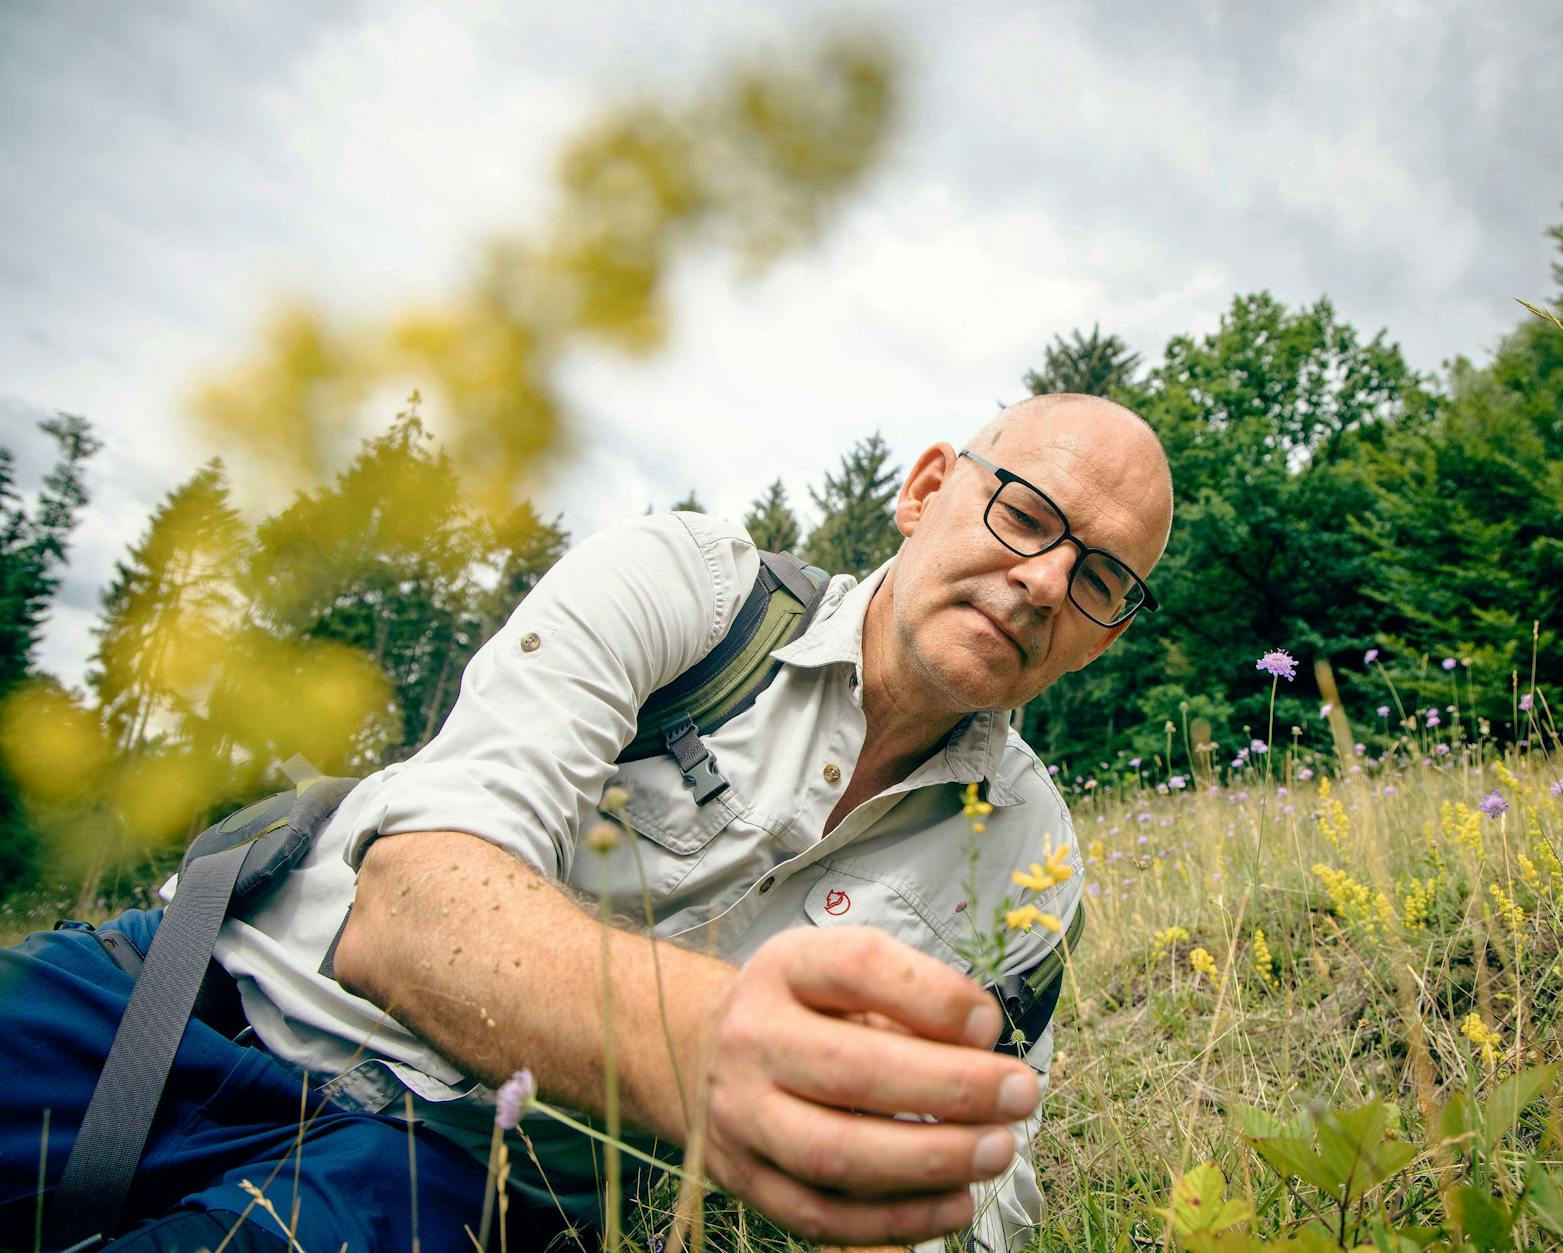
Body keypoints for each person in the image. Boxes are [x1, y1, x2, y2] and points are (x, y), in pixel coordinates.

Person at [0, 392, 1174, 1251]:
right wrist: (701, 1053)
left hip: (441, 1179)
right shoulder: (691, 588)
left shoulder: (1031, 854)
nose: (1041, 582)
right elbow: (400, 908)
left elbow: (983, 1180)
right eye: (1025, 514)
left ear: (1107, 628)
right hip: (187, 993)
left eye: (1100, 579)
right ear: (925, 490)